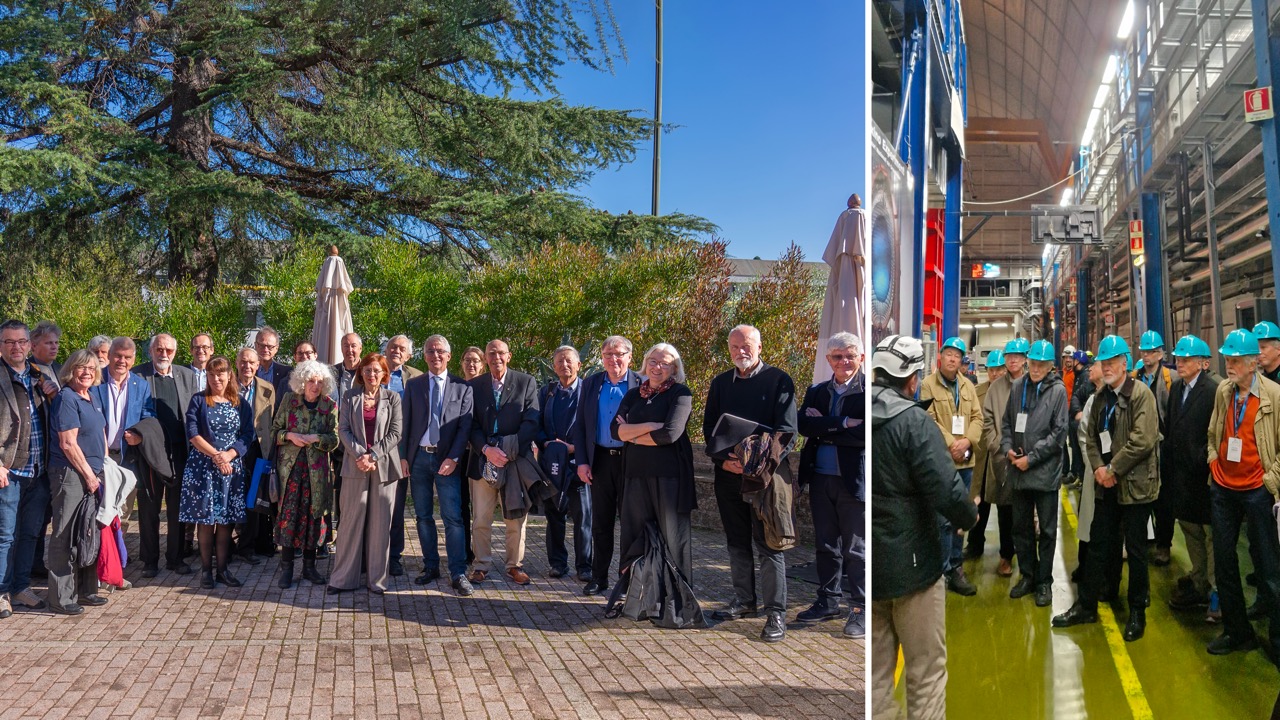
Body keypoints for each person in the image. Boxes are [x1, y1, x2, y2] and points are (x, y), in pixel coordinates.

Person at [870, 335, 977, 720]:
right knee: (926, 672)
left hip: (872, 566)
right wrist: (970, 517)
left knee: (876, 677)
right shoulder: (913, 423)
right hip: (915, 567)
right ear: (913, 379)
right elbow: (946, 489)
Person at [1053, 335, 1160, 642]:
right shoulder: (1101, 397)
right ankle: (1086, 605)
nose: (1108, 367)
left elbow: (1143, 439)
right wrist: (1100, 468)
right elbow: (1088, 437)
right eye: (1104, 362)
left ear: (1125, 363)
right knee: (1099, 545)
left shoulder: (1141, 394)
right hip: (1106, 485)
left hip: (1135, 487)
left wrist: (1112, 469)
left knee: (1137, 551)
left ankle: (1137, 611)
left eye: (1113, 362)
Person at [702, 324, 798, 643]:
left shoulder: (779, 380)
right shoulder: (719, 384)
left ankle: (776, 613)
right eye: (734, 346)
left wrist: (753, 464)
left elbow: (787, 433)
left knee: (770, 545)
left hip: (764, 481)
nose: (740, 351)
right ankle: (744, 602)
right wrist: (723, 460)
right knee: (736, 542)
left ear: (760, 347)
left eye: (746, 346)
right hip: (727, 476)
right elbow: (709, 431)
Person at [608, 342, 702, 628]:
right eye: (653, 361)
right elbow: (615, 430)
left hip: (669, 478)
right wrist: (650, 427)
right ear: (645, 363)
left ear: (674, 368)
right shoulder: (634, 394)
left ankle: (676, 603)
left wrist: (632, 433)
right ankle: (635, 596)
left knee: (673, 539)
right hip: (635, 474)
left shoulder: (680, 393)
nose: (657, 367)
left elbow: (671, 434)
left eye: (664, 363)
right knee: (632, 537)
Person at [1202, 329, 1280, 660]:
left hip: (1257, 491)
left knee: (1269, 569)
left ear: (1252, 364)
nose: (1229, 365)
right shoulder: (1224, 391)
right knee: (1224, 561)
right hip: (1223, 488)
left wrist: (1270, 478)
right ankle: (1238, 632)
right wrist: (1212, 459)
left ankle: (1277, 644)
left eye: (1235, 360)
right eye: (1228, 359)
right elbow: (1213, 431)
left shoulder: (1273, 396)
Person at [796, 332, 866, 638]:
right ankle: (827, 601)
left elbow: (864, 436)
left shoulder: (868, 393)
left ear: (861, 358)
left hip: (853, 482)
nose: (844, 361)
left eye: (850, 355)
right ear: (828, 360)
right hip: (820, 478)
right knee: (826, 545)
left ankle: (860, 609)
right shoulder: (817, 392)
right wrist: (842, 423)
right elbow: (802, 425)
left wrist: (823, 426)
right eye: (837, 356)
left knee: (856, 550)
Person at [400, 335, 474, 596]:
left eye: (440, 351)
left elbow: (465, 428)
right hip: (419, 458)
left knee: (452, 517)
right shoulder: (414, 385)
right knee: (422, 516)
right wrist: (404, 457)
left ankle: (458, 572)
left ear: (449, 356)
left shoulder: (463, 387)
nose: (435, 355)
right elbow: (406, 423)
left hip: (447, 461)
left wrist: (453, 458)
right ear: (425, 356)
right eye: (430, 351)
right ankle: (430, 566)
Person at [999, 339, 1068, 607]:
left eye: (1042, 364)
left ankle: (1044, 582)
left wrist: (1032, 458)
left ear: (1051, 366)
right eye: (1033, 363)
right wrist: (1007, 449)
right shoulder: (1018, 387)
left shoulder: (1058, 391)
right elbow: (1006, 423)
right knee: (1021, 529)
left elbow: (1059, 434)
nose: (1036, 368)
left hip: (1044, 473)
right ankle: (1027, 576)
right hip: (1018, 472)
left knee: (1048, 531)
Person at [466, 339, 540, 586]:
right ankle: (481, 565)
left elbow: (532, 420)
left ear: (509, 355)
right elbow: (471, 424)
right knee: (481, 518)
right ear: (486, 358)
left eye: (500, 353)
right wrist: (487, 449)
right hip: (483, 460)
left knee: (515, 519)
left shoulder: (525, 382)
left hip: (515, 459)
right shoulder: (475, 386)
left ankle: (514, 566)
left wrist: (508, 450)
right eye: (491, 353)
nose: (496, 357)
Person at [330, 353, 403, 595]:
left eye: (376, 370)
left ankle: (377, 581)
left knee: (381, 525)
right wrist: (361, 455)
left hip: (383, 468)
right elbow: (343, 429)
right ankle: (343, 579)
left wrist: (373, 455)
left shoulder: (392, 398)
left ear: (384, 374)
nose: (372, 374)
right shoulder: (350, 397)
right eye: (367, 370)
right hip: (354, 466)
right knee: (350, 521)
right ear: (361, 373)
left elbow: (396, 433)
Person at [573, 336, 640, 597]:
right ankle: (599, 578)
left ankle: (627, 580)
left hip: (631, 461)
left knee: (630, 523)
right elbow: (580, 426)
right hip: (599, 460)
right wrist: (582, 462)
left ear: (629, 357)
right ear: (602, 358)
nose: (613, 359)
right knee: (601, 523)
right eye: (608, 354)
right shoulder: (591, 384)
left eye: (619, 354)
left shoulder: (641, 384)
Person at [181, 356, 255, 589]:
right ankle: (206, 571)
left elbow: (247, 435)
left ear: (229, 375)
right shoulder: (199, 400)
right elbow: (193, 433)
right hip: (203, 468)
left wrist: (230, 455)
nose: (216, 378)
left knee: (225, 522)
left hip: (231, 469)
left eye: (220, 373)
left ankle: (223, 569)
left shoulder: (241, 403)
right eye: (212, 374)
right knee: (206, 521)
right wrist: (216, 455)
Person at [46, 350, 110, 615]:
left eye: (91, 368)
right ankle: (61, 597)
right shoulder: (66, 398)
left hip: (93, 475)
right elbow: (68, 443)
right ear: (71, 370)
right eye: (81, 368)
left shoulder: (91, 397)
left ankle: (87, 591)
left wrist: (106, 466)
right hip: (71, 475)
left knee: (87, 532)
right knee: (65, 534)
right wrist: (88, 476)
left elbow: (101, 433)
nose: (87, 372)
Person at [919, 336, 982, 597]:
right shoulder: (927, 385)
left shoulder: (968, 386)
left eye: (957, 355)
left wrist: (967, 441)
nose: (953, 359)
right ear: (940, 358)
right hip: (942, 462)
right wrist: (952, 445)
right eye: (949, 354)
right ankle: (940, 570)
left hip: (966, 463)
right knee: (941, 519)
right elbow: (928, 419)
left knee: (959, 518)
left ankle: (956, 567)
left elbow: (978, 418)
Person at [1163, 335, 1220, 617]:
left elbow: (1217, 434)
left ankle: (1215, 592)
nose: (1180, 363)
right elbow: (1172, 427)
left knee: (1211, 537)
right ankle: (1199, 583)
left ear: (1202, 363)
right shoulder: (1176, 388)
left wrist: (1201, 460)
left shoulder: (1213, 391)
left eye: (1186, 360)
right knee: (1191, 532)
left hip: (1204, 477)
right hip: (1182, 477)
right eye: (1179, 359)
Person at [133, 333, 198, 578]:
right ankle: (149, 561)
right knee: (149, 507)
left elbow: (191, 412)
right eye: (159, 350)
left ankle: (176, 558)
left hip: (180, 452)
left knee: (177, 508)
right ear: (150, 351)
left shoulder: (186, 375)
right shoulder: (138, 375)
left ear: (175, 352)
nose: (164, 354)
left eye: (169, 351)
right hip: (149, 452)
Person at [0, 320, 53, 615]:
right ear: (1, 346)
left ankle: (20, 587)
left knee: (30, 534)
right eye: (9, 342)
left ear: (29, 345)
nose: (16, 347)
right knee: (5, 535)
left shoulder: (40, 375)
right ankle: (2, 591)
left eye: (21, 341)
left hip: (39, 470)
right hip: (9, 471)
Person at [271, 360, 340, 589]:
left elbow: (335, 439)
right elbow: (274, 430)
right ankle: (287, 568)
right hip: (291, 470)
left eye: (320, 382)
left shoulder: (329, 406)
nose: (315, 386)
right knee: (289, 516)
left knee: (314, 516)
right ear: (302, 381)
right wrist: (289, 436)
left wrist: (317, 439)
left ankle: (309, 568)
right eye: (311, 381)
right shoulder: (290, 401)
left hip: (317, 473)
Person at [537, 346, 592, 582]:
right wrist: (546, 444)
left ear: (579, 365)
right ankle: (558, 563)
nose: (564, 365)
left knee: (583, 518)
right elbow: (535, 423)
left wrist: (574, 449)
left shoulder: (589, 392)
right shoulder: (546, 393)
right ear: (554, 365)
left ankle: (585, 566)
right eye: (559, 361)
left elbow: (595, 428)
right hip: (552, 466)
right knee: (554, 516)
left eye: (569, 361)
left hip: (578, 464)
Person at [89, 337, 154, 537]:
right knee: (97, 507)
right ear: (109, 356)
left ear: (133, 360)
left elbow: (148, 415)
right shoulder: (94, 381)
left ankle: (118, 552)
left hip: (128, 457)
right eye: (117, 355)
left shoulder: (141, 386)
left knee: (123, 509)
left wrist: (139, 435)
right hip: (99, 457)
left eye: (127, 357)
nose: (121, 361)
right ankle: (95, 554)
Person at [978, 339, 1030, 578]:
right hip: (1002, 458)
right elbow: (987, 421)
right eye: (1009, 356)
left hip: (1030, 458)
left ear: (1025, 359)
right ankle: (1006, 556)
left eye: (1017, 356)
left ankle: (1029, 560)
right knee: (1006, 510)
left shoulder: (1033, 384)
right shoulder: (996, 388)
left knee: (1027, 512)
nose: (1013, 360)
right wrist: (997, 446)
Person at [384, 334, 422, 577]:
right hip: (372, 451)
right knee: (373, 505)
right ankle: (371, 553)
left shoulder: (417, 378)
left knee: (396, 507)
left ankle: (394, 556)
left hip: (401, 453)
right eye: (392, 347)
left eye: (402, 348)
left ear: (408, 355)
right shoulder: (373, 370)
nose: (396, 351)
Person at [233, 348, 276, 564]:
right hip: (232, 449)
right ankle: (225, 543)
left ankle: (247, 545)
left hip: (258, 449)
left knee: (253, 497)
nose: (247, 366)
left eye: (251, 362)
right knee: (232, 494)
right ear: (237, 363)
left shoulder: (268, 388)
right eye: (243, 362)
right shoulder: (227, 386)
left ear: (258, 365)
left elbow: (272, 422)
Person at [1135, 330, 1174, 567]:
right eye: (1144, 351)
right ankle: (1143, 540)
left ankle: (1163, 545)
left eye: (1151, 352)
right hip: (1140, 448)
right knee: (1140, 497)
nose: (1147, 356)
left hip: (1163, 447)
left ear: (1160, 354)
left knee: (1163, 500)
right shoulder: (1135, 377)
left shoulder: (1171, 379)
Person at [966, 350, 1009, 562]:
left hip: (1002, 457)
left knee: (1004, 506)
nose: (996, 374)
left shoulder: (1014, 391)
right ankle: (974, 545)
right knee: (977, 501)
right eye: (992, 370)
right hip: (980, 457)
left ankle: (1007, 553)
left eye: (1000, 369)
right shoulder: (977, 391)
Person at [324, 332, 363, 554]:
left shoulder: (368, 371)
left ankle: (355, 536)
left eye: (354, 346)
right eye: (346, 346)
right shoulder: (332, 372)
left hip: (360, 442)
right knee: (338, 491)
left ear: (360, 348)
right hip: (337, 443)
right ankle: (337, 536)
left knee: (356, 492)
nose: (350, 350)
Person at [457, 346, 486, 565]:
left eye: (476, 360)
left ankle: (480, 552)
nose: (471, 364)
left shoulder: (487, 388)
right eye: (467, 360)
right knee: (460, 505)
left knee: (480, 507)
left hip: (480, 454)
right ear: (461, 363)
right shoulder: (456, 387)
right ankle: (463, 550)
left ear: (482, 364)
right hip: (458, 455)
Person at [254, 326, 291, 399]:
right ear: (255, 345)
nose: (265, 350)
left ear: (276, 348)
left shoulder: (286, 372)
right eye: (262, 345)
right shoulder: (247, 370)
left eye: (270, 347)